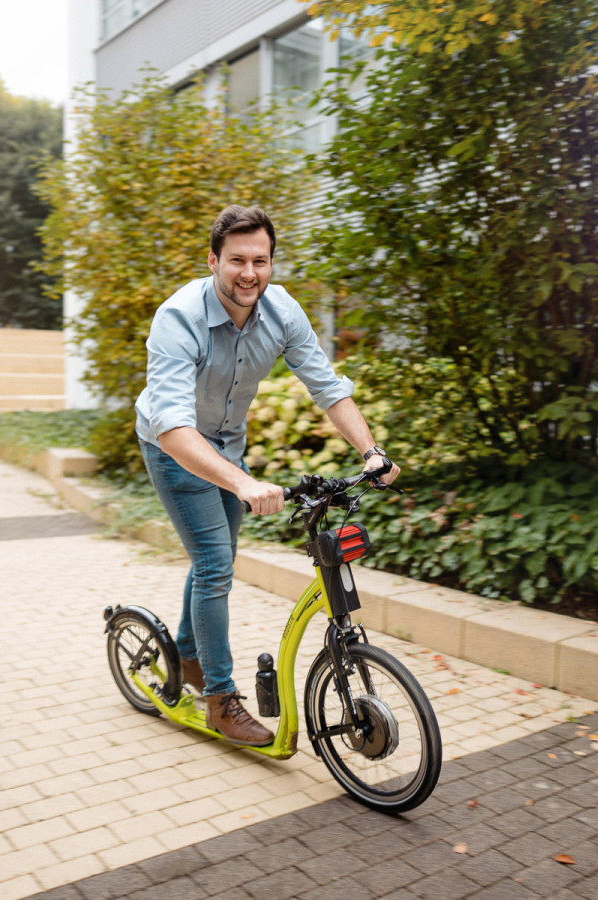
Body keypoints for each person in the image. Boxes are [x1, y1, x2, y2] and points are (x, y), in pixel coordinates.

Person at [134, 205, 399, 746]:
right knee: (214, 565)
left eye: (260, 260)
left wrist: (372, 451)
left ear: (272, 263)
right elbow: (172, 425)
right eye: (236, 260)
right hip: (175, 449)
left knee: (217, 556)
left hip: (228, 446)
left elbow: (327, 387)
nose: (248, 272)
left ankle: (186, 656)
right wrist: (243, 483)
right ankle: (220, 699)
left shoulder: (281, 312)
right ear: (213, 260)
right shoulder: (178, 317)